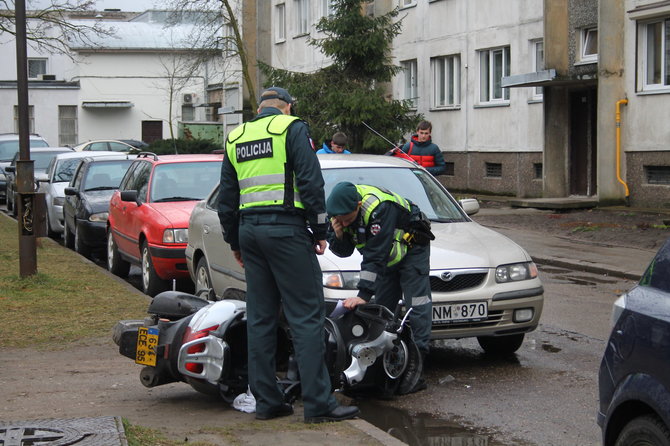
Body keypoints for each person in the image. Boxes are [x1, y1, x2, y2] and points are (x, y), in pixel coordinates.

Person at [217, 87, 359, 423]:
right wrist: (320, 230)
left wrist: (234, 241)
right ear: (287, 107)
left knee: (261, 318)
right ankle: (319, 404)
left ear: (260, 108)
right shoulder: (291, 127)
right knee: (306, 317)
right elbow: (311, 181)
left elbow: (227, 195)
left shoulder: (236, 135)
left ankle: (266, 401)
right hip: (285, 230)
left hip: (250, 232)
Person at [326, 181, 433, 392]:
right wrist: (338, 235)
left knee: (416, 304)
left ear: (358, 205)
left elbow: (375, 254)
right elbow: (344, 251)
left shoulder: (380, 208)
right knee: (383, 309)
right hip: (387, 259)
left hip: (413, 248)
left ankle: (416, 369)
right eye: (339, 220)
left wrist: (364, 294)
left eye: (347, 220)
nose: (343, 223)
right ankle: (385, 366)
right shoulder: (338, 213)